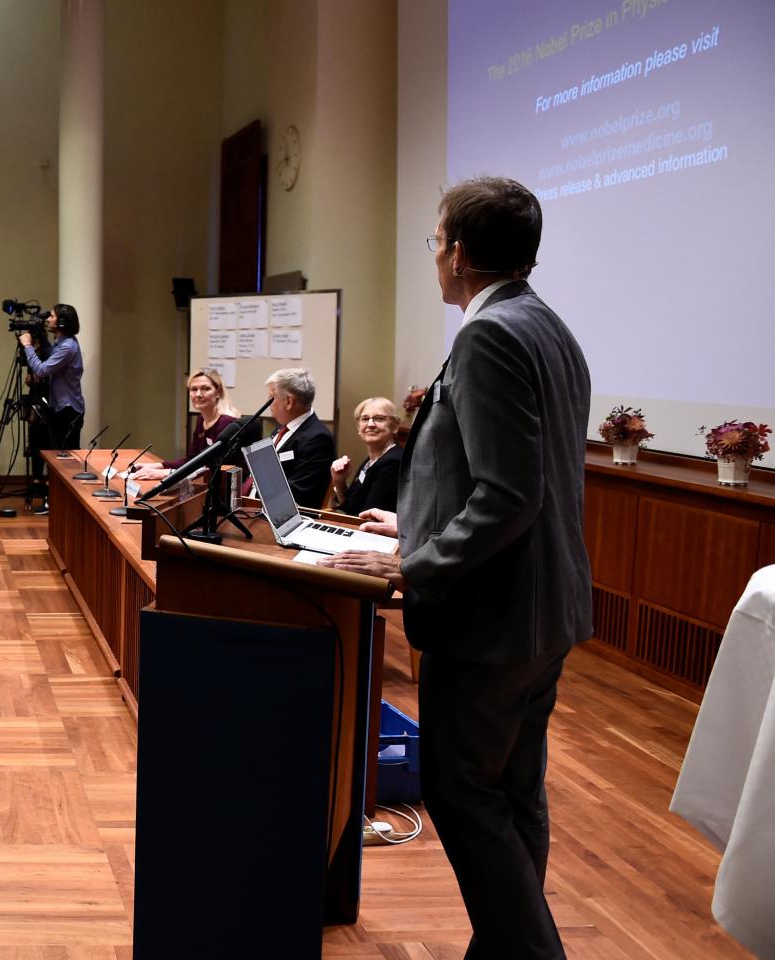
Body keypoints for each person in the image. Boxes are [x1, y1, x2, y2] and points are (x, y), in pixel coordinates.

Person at [320, 176, 591, 959]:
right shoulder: (549, 326)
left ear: (460, 253)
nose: (435, 255)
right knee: (513, 790)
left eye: (436, 241)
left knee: (462, 792)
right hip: (543, 609)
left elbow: (509, 495)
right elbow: (514, 476)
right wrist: (415, 528)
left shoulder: (488, 335)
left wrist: (418, 564)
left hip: (491, 616)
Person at [131, 368, 241, 484]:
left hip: (228, 487)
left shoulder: (226, 423)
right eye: (194, 389)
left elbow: (215, 468)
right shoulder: (201, 420)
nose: (198, 394)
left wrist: (168, 473)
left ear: (218, 392)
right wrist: (158, 466)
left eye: (205, 389)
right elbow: (192, 460)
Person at [248, 367, 334, 509]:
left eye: (271, 397)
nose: (267, 403)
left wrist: (251, 500)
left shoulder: (318, 439)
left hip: (281, 514)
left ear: (289, 401)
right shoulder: (282, 427)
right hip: (255, 505)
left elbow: (298, 494)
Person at [18, 303, 85, 454]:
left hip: (68, 410)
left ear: (62, 322)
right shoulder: (63, 343)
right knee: (56, 456)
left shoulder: (67, 347)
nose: (48, 319)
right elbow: (50, 354)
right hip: (61, 408)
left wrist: (27, 345)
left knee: (66, 458)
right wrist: (41, 335)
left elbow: (42, 370)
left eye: (52, 316)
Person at [328, 397, 403, 515]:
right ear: (358, 427)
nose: (370, 424)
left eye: (379, 418)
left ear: (395, 426)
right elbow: (351, 506)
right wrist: (339, 482)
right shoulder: (371, 460)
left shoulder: (393, 463)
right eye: (365, 419)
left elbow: (367, 517)